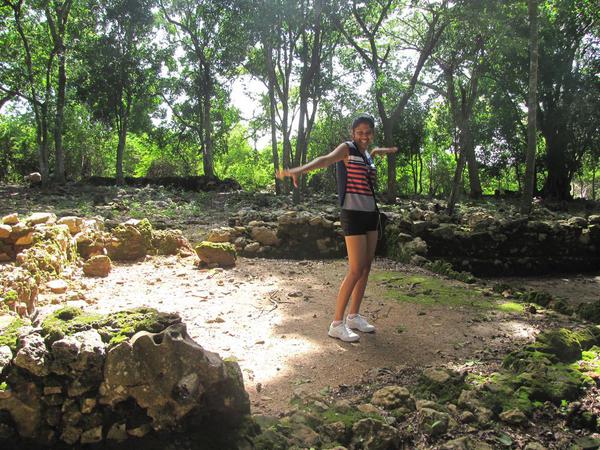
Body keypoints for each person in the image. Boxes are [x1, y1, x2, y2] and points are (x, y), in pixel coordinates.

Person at [277, 114, 398, 342]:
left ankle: (354, 316)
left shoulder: (367, 156)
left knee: (366, 268)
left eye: (368, 132)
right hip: (352, 214)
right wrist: (299, 170)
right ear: (353, 133)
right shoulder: (348, 149)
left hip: (371, 215)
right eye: (360, 132)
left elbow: (370, 156)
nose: (364, 136)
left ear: (372, 134)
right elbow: (325, 159)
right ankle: (336, 323)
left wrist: (380, 151)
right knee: (355, 269)